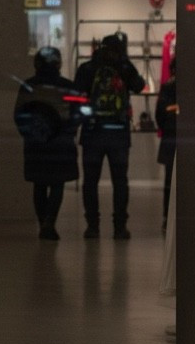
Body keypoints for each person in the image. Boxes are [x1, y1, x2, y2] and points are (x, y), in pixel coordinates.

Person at [74, 33, 145, 240]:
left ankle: (92, 226)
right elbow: (140, 86)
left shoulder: (88, 67)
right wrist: (125, 64)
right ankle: (120, 227)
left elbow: (76, 94)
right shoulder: (123, 67)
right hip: (118, 133)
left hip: (92, 132)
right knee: (120, 182)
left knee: (90, 181)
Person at [13, 46, 79, 240]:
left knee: (39, 184)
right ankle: (49, 222)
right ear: (58, 64)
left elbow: (19, 115)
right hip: (61, 143)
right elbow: (76, 114)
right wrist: (68, 132)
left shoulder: (28, 85)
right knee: (57, 184)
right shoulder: (67, 85)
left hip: (36, 141)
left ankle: (44, 223)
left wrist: (30, 134)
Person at [155, 56, 177, 234]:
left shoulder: (167, 86)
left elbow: (159, 114)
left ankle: (166, 219)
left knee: (170, 180)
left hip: (171, 135)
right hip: (194, 137)